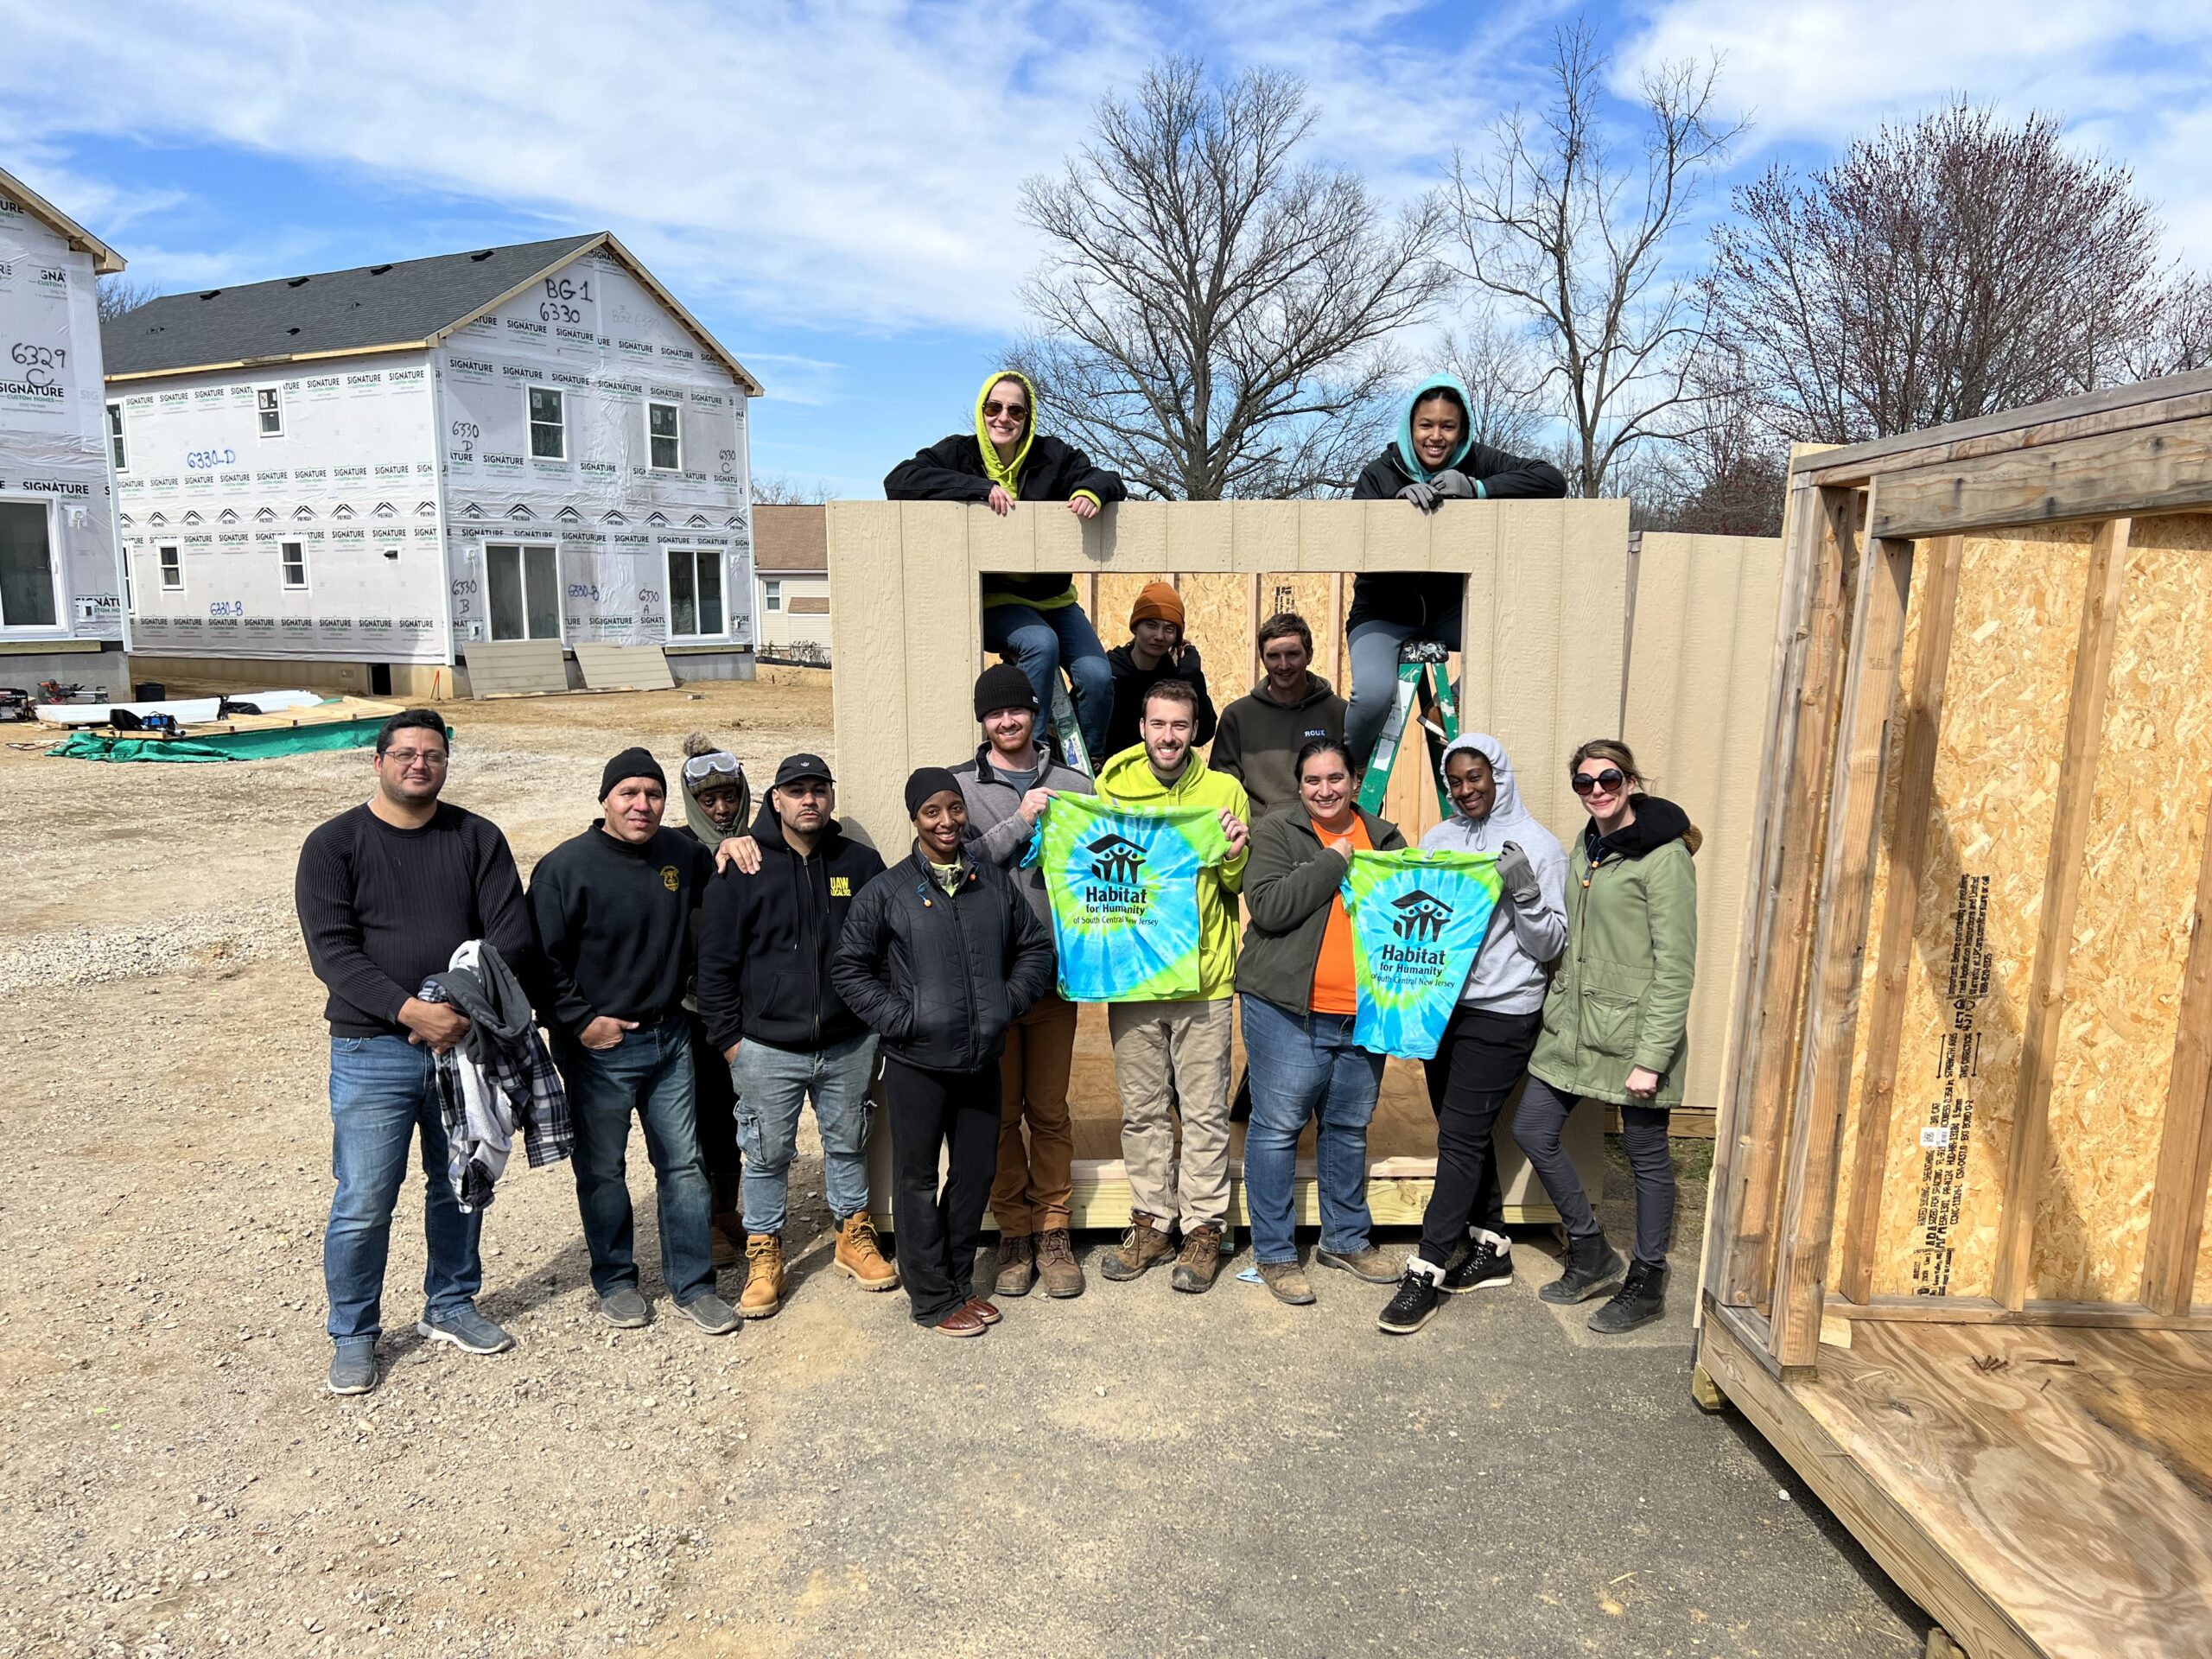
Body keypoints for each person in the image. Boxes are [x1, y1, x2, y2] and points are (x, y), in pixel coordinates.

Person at [296, 709, 534, 1395]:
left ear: (445, 763)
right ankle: (355, 1333)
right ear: (378, 762)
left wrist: (454, 1013)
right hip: (373, 1049)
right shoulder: (333, 845)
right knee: (366, 1196)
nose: (418, 765)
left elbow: (509, 935)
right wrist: (409, 1012)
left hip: (463, 1047)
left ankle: (451, 1303)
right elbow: (333, 952)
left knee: (462, 1182)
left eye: (432, 754)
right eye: (404, 754)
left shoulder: (476, 838)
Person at [830, 768, 1055, 1337]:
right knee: (917, 1180)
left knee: (975, 1173)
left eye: (954, 809)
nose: (947, 821)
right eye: (932, 811)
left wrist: (1007, 1002)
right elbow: (849, 968)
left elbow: (1033, 948)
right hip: (917, 1064)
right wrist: (900, 1020)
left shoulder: (991, 883)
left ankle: (957, 1283)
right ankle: (930, 1298)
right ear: (916, 819)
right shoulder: (889, 890)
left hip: (982, 1059)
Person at [529, 749, 739, 1336]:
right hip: (599, 1046)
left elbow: (720, 876)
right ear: (605, 800)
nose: (642, 805)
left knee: (685, 1166)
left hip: (670, 1036)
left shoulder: (680, 855)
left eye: (653, 794)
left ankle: (693, 1284)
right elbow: (540, 963)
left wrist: (734, 845)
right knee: (602, 1170)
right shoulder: (565, 868)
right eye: (629, 794)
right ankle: (616, 1279)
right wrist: (579, 1020)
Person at [1376, 734, 1568, 1336]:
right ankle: (1491, 1245)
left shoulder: (1538, 847)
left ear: (1499, 776)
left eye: (1475, 778)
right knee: (1465, 1130)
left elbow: (1551, 946)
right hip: (1444, 1007)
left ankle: (1427, 1267)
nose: (1465, 790)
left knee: (1458, 1137)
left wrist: (1527, 892)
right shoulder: (1438, 838)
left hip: (1505, 1011)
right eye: (1455, 781)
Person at [696, 754, 898, 1319]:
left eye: (818, 789)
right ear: (775, 800)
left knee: (848, 1140)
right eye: (796, 791)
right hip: (765, 1047)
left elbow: (886, 948)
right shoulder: (744, 865)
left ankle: (852, 1236)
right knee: (765, 1153)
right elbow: (714, 966)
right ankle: (765, 1252)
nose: (808, 800)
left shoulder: (859, 863)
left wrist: (875, 1024)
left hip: (848, 1041)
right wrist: (732, 1043)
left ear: (830, 797)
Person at [1514, 740, 1698, 1335]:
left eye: (1608, 778)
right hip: (1575, 1024)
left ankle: (1647, 1280)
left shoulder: (1665, 857)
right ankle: (1591, 1252)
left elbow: (1676, 967)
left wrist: (1652, 1057)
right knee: (1533, 1128)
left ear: (1631, 780)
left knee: (1646, 1156)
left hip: (1635, 1033)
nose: (1597, 790)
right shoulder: (1587, 845)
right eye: (1584, 782)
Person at [1236, 739, 1405, 1305]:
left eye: (1335, 778)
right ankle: (1276, 1254)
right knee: (1278, 1127)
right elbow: (1271, 907)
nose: (1325, 790)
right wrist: (1335, 859)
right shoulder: (1279, 831)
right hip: (1286, 1008)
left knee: (1348, 1128)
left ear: (1354, 781)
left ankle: (1346, 1239)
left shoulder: (1385, 838)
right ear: (1299, 785)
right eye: (1313, 781)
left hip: (1363, 1013)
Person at [1094, 679, 1250, 1292]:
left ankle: (1204, 1228)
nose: (1168, 736)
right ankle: (1154, 1222)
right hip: (1134, 979)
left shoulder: (1223, 791)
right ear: (1142, 726)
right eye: (1159, 724)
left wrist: (1237, 852)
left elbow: (1238, 887)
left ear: (1194, 730)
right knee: (1142, 1111)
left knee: (1207, 1112)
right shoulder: (1113, 784)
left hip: (1205, 982)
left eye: (1180, 726)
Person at [885, 369, 1127, 759]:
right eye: (994, 408)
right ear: (981, 412)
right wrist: (978, 489)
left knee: (1098, 676)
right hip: (997, 600)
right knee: (1039, 644)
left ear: (1027, 419)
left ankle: (1090, 762)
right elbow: (899, 481)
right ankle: (1034, 753)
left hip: (1054, 598)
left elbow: (1106, 478)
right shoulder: (960, 454)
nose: (1004, 418)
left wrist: (1091, 491)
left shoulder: (1053, 456)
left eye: (1016, 411)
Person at [949, 663, 1095, 1300]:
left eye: (1017, 711)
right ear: (982, 721)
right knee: (1003, 1116)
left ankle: (1054, 1229)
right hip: (990, 982)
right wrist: (1022, 820)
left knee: (1051, 1111)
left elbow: (1106, 867)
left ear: (1035, 714)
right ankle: (1012, 1230)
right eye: (994, 713)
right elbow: (952, 862)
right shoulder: (959, 787)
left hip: (1057, 979)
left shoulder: (1076, 783)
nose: (1006, 722)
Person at [1344, 376, 1567, 766]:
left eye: (1448, 426)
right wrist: (1394, 513)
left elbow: (1552, 480)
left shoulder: (1479, 461)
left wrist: (1477, 488)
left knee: (1519, 644)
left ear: (1461, 431)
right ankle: (1351, 767)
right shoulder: (1379, 473)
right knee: (1374, 694)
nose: (1436, 436)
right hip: (1382, 613)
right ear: (1410, 428)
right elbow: (1359, 553)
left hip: (1451, 611)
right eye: (1426, 425)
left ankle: (1446, 708)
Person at [675, 734, 750, 1266]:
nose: (721, 809)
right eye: (709, 800)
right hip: (693, 1008)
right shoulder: (675, 851)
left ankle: (731, 1211)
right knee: (704, 1114)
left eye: (730, 797)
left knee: (743, 1113)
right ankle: (705, 1219)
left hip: (752, 1009)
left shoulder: (763, 845)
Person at [1210, 611, 1347, 821]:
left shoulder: (1339, 713)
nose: (1283, 665)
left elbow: (1360, 784)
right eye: (1274, 656)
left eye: (1292, 654)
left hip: (1328, 835)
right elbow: (1223, 791)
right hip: (1262, 840)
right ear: (1262, 658)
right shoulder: (1237, 716)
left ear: (1309, 655)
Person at [1102, 582, 1217, 760]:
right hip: (1108, 777)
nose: (1159, 636)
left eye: (1169, 629)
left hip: (1160, 774)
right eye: (1151, 625)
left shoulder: (1174, 679)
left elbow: (1201, 736)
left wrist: (1192, 676)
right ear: (1135, 627)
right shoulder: (1107, 671)